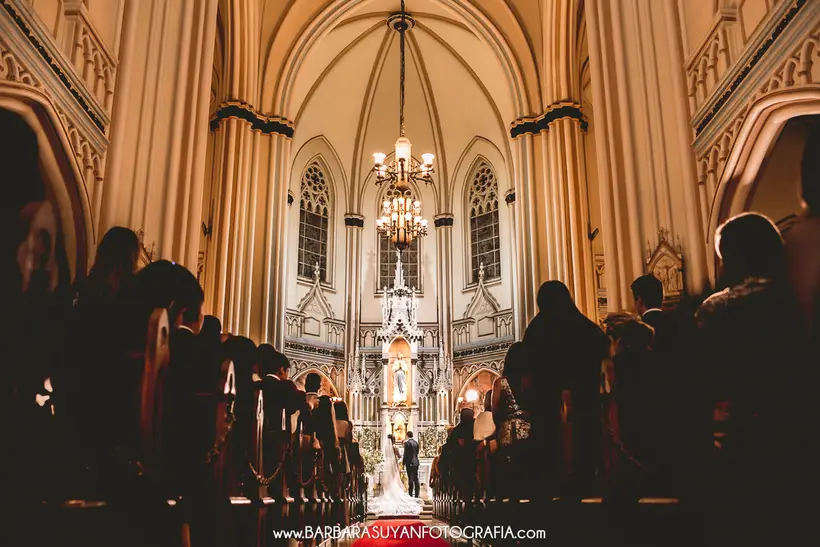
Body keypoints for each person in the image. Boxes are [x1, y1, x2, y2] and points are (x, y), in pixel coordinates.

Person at [696, 212, 809, 546]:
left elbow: (703, 383)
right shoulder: (802, 295)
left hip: (748, 435)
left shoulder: (719, 308)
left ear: (732, 258)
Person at [523, 281, 609, 495]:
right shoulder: (588, 330)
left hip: (547, 415)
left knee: (550, 468)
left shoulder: (535, 331)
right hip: (586, 409)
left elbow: (527, 378)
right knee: (584, 465)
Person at [369, 434, 424, 515]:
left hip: (388, 466)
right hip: (394, 465)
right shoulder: (395, 447)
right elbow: (398, 456)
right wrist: (401, 459)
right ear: (393, 439)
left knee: (391, 479)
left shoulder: (386, 447)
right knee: (398, 479)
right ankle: (413, 494)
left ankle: (388, 493)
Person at [403, 431, 420, 498]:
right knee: (416, 478)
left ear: (407, 435)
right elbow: (417, 452)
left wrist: (404, 462)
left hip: (409, 463)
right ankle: (416, 494)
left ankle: (410, 494)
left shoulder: (407, 443)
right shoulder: (416, 442)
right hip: (416, 462)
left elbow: (406, 454)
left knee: (410, 478)